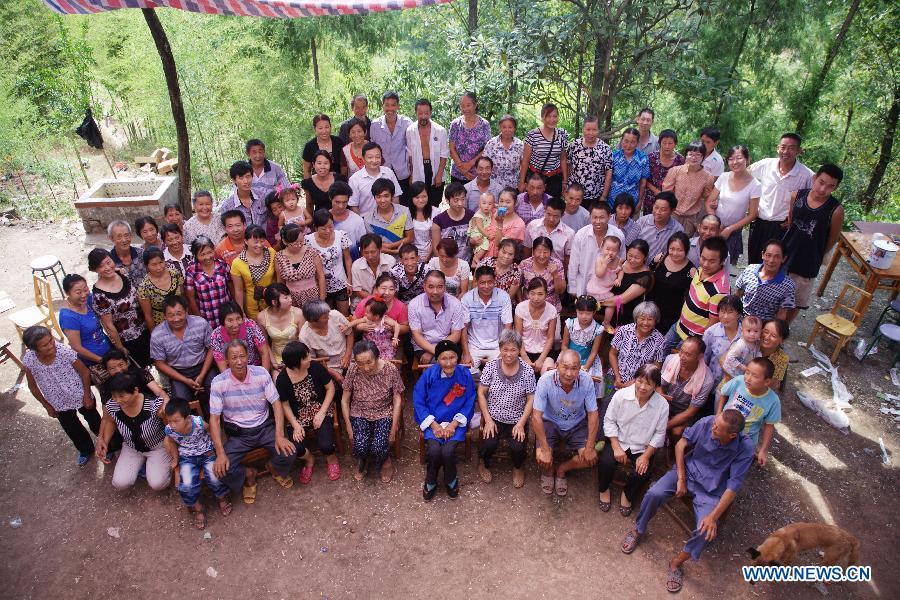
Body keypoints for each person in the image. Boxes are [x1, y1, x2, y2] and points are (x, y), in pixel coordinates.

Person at [621, 411, 754, 594]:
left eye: (718, 429)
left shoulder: (745, 449)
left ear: (732, 435)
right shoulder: (708, 421)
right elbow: (681, 445)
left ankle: (676, 563)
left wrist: (713, 517)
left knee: (705, 531)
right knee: (654, 493)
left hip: (712, 490)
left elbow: (733, 486)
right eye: (714, 423)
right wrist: (681, 477)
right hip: (688, 472)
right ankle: (638, 529)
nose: (713, 428)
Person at [208, 340, 300, 505]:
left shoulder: (261, 373)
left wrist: (279, 435)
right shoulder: (218, 382)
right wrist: (220, 453)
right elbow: (214, 419)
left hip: (264, 427)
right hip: (238, 434)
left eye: (242, 356)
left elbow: (276, 404)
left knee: (290, 451)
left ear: (248, 356)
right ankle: (249, 475)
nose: (239, 361)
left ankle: (272, 466)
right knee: (221, 470)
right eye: (234, 357)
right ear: (227, 360)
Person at [22, 325, 98, 465]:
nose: (51, 345)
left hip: (79, 395)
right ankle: (86, 449)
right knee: (72, 428)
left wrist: (87, 395)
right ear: (34, 349)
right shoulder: (29, 360)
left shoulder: (63, 351)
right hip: (57, 402)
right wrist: (47, 405)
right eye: (45, 345)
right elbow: (32, 386)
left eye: (51, 340)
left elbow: (85, 372)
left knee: (95, 421)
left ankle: (110, 445)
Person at [598, 364, 667, 515]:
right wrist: (616, 447)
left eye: (648, 384)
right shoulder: (621, 395)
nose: (642, 387)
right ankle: (603, 489)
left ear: (656, 385)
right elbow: (609, 421)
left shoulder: (662, 405)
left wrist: (646, 456)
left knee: (642, 472)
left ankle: (627, 494)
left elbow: (659, 434)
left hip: (642, 447)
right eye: (640, 381)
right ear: (635, 379)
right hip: (619, 440)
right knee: (606, 463)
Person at [413, 340, 476, 500]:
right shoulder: (429, 375)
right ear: (437, 359)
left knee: (448, 452)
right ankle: (431, 479)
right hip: (433, 421)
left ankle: (450, 478)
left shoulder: (465, 374)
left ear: (458, 357)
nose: (448, 363)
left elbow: (469, 401)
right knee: (434, 451)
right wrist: (433, 425)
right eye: (443, 358)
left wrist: (454, 425)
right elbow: (418, 400)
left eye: (452, 357)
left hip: (456, 422)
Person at [782, 163, 845, 323]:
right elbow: (791, 222)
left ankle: (785, 328)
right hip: (786, 252)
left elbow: (831, 240)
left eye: (830, 186)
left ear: (835, 188)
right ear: (814, 178)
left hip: (809, 261)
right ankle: (773, 323)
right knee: (778, 290)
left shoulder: (836, 210)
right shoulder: (796, 196)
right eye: (821, 182)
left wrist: (816, 255)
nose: (823, 189)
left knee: (797, 300)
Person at [532, 349, 599, 497]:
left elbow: (593, 413)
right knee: (540, 455)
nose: (569, 373)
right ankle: (549, 470)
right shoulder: (545, 380)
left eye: (574, 368)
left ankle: (562, 469)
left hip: (577, 423)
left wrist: (589, 447)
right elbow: (536, 416)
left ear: (579, 368)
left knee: (590, 458)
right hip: (551, 421)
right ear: (557, 366)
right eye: (565, 367)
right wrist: (544, 449)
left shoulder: (586, 380)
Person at [476, 330, 535, 487]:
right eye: (505, 349)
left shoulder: (527, 371)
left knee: (518, 447)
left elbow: (531, 399)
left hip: (516, 419)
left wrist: (521, 423)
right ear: (500, 349)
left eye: (513, 349)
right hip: (494, 417)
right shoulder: (490, 366)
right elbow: (481, 392)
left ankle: (518, 467)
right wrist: (488, 420)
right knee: (489, 444)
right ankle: (483, 462)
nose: (508, 354)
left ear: (519, 349)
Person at [95, 369, 171, 492]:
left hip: (157, 447)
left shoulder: (153, 404)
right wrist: (104, 440)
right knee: (120, 483)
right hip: (131, 447)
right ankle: (145, 466)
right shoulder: (113, 405)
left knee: (158, 484)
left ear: (135, 391)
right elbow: (110, 421)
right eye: (114, 396)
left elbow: (169, 426)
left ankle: (159, 466)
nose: (118, 400)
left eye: (122, 396)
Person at [340, 339, 405, 482]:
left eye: (369, 362)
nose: (366, 368)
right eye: (360, 363)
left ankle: (385, 460)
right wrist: (348, 426)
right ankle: (363, 460)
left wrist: (394, 428)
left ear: (377, 357)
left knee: (379, 445)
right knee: (360, 445)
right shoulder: (352, 369)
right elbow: (344, 400)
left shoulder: (390, 369)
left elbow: (397, 399)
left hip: (383, 412)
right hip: (359, 412)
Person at [276, 341, 341, 482]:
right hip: (299, 415)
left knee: (326, 445)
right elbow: (285, 404)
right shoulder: (282, 379)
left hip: (320, 408)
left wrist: (322, 412)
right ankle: (309, 459)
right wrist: (295, 425)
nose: (310, 359)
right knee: (296, 449)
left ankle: (331, 458)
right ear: (295, 363)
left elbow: (331, 388)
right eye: (305, 357)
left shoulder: (315, 368)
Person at [163, 399, 232, 529]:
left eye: (176, 421)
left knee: (214, 476)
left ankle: (221, 498)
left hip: (207, 452)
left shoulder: (198, 423)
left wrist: (218, 450)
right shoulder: (169, 430)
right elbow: (171, 442)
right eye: (169, 420)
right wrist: (175, 458)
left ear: (187, 417)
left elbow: (212, 430)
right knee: (187, 484)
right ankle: (198, 507)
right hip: (187, 456)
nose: (172, 425)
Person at [747, 132, 813, 261]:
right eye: (783, 147)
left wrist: (796, 218)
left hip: (782, 228)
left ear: (799, 151)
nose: (786, 151)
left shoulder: (806, 175)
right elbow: (744, 176)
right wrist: (749, 205)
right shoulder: (766, 165)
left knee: (774, 264)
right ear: (778, 148)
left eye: (791, 148)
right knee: (753, 260)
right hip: (759, 222)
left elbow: (812, 201)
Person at [150, 296, 215, 416]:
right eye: (171, 315)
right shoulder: (157, 335)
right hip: (178, 373)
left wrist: (202, 375)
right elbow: (159, 363)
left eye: (179, 314)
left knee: (215, 389)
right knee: (181, 401)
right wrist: (185, 380)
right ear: (164, 316)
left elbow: (211, 347)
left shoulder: (200, 323)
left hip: (203, 367)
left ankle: (218, 422)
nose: (176, 319)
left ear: (186, 311)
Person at [89, 248, 152, 367]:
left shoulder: (123, 274)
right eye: (101, 266)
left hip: (144, 328)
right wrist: (120, 347)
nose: (107, 268)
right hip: (128, 339)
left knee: (152, 360)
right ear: (95, 269)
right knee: (139, 369)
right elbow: (108, 324)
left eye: (108, 262)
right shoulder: (99, 295)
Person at [668, 236, 729, 350]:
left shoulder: (719, 291)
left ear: (722, 261)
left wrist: (697, 344)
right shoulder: (700, 270)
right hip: (679, 326)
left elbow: (713, 322)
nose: (705, 264)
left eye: (712, 261)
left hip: (692, 338)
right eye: (703, 258)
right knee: (661, 352)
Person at [717, 357, 780, 466]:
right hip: (723, 429)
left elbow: (769, 426)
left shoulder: (773, 401)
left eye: (754, 376)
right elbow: (723, 393)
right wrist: (718, 415)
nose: (748, 378)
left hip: (746, 439)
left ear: (767, 381)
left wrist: (763, 450)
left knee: (734, 465)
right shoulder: (738, 381)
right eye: (747, 372)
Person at [707, 145, 761, 267]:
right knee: (708, 261)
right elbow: (709, 201)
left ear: (748, 159)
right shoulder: (724, 177)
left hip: (733, 232)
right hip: (715, 227)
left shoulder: (755, 185)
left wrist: (729, 229)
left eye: (739, 158)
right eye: (731, 159)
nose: (734, 162)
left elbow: (753, 214)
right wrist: (714, 221)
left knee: (725, 265)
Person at [460, 265, 514, 371]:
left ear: (494, 281)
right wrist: (466, 353)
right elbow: (464, 328)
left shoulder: (503, 297)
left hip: (497, 345)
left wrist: (503, 349)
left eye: (490, 282)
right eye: (482, 283)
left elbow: (507, 326)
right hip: (474, 345)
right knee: (466, 372)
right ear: (476, 282)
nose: (486, 286)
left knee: (501, 373)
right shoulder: (467, 298)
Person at [568, 202, 625, 297]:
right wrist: (572, 287)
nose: (598, 221)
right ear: (590, 216)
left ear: (609, 217)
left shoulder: (618, 235)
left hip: (608, 288)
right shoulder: (581, 235)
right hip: (583, 284)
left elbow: (622, 261)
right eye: (594, 217)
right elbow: (573, 263)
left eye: (602, 217)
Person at [661, 337, 714, 438]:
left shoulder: (706, 379)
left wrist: (664, 426)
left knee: (677, 431)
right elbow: (659, 386)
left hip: (685, 411)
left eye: (688, 354)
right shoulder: (670, 360)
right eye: (681, 351)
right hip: (665, 403)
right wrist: (664, 410)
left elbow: (691, 412)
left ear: (700, 356)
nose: (682, 357)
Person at [408, 270, 465, 364]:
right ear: (424, 287)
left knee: (445, 361)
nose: (435, 291)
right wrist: (434, 351)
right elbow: (417, 335)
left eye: (439, 287)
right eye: (431, 287)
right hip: (423, 346)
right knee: (439, 362)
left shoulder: (455, 304)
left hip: (448, 344)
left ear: (445, 287)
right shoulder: (414, 304)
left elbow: (456, 334)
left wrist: (435, 351)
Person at [607, 301, 666, 391]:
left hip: (642, 383)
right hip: (614, 375)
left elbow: (655, 368)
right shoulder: (624, 330)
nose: (645, 323)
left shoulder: (660, 340)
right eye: (642, 319)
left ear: (655, 320)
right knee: (605, 402)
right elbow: (612, 354)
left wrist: (635, 382)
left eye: (650, 319)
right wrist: (617, 377)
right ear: (636, 318)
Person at [734, 239, 796, 321]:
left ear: (783, 259)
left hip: (764, 324)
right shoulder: (750, 269)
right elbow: (738, 294)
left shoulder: (788, 285)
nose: (771, 260)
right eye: (768, 255)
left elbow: (781, 314)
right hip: (741, 317)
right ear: (763, 255)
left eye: (777, 257)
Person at [306, 209, 354, 315]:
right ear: (315, 227)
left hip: (341, 282)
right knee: (326, 316)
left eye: (331, 227)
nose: (328, 231)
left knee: (344, 315)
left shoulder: (341, 236)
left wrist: (349, 281)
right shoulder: (308, 241)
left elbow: (347, 259)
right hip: (320, 286)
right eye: (323, 229)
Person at [663, 140, 715, 236]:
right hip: (672, 215)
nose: (694, 158)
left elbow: (707, 197)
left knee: (684, 245)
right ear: (686, 155)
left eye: (698, 155)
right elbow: (666, 194)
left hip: (691, 219)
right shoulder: (675, 171)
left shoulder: (708, 177)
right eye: (691, 154)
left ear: (703, 156)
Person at [599, 239, 653, 328]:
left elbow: (623, 299)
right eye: (630, 255)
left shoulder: (645, 277)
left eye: (637, 258)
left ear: (645, 257)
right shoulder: (621, 262)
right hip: (605, 300)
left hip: (621, 314)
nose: (632, 260)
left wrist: (598, 303)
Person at [369, 91, 412, 201]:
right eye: (387, 105)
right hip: (382, 172)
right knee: (383, 203)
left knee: (403, 205)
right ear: (382, 106)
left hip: (402, 172)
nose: (390, 109)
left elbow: (412, 150)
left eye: (393, 105)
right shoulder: (375, 125)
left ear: (398, 106)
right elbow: (372, 149)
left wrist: (413, 173)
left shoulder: (407, 123)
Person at [60, 274, 111, 367]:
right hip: (93, 363)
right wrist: (102, 361)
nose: (84, 295)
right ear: (67, 293)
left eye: (85, 289)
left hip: (108, 352)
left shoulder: (88, 300)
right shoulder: (68, 317)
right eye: (78, 292)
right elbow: (76, 347)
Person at [520, 103, 569, 198]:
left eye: (555, 116)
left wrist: (565, 181)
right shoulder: (532, 135)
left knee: (552, 207)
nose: (552, 120)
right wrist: (522, 181)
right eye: (548, 116)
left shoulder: (562, 135)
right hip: (535, 177)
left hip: (554, 178)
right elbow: (525, 160)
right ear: (542, 118)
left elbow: (563, 159)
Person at [185, 235, 235, 328]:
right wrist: (199, 320)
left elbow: (231, 287)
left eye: (209, 252)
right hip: (206, 317)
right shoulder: (191, 271)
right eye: (202, 254)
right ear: (195, 255)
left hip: (226, 315)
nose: (207, 257)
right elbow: (190, 298)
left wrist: (235, 308)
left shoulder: (222, 265)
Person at [406, 98, 448, 206]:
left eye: (426, 113)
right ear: (415, 113)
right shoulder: (410, 130)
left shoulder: (440, 130)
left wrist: (439, 174)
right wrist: (411, 174)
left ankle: (434, 222)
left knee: (434, 202)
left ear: (431, 113)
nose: (423, 116)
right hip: (418, 170)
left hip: (434, 168)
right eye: (420, 113)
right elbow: (410, 155)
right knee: (419, 203)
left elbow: (444, 154)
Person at [648, 232, 693, 334]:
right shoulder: (660, 258)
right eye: (672, 249)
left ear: (686, 250)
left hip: (671, 316)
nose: (675, 253)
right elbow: (647, 274)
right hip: (650, 309)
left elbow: (690, 297)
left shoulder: (691, 271)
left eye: (680, 250)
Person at [298, 300, 353, 382]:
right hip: (329, 368)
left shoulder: (334, 315)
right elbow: (312, 361)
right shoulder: (304, 336)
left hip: (349, 357)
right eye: (325, 317)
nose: (329, 317)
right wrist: (334, 373)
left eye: (328, 313)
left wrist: (347, 355)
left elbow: (349, 333)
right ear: (314, 320)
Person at [230, 225, 276, 321]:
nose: (259, 245)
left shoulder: (272, 253)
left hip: (273, 301)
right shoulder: (237, 263)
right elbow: (238, 290)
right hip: (253, 305)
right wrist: (241, 312)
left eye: (262, 241)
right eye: (255, 242)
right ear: (246, 241)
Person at [561, 295, 605, 396]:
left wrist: (585, 368)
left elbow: (594, 352)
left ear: (594, 312)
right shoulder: (570, 324)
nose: (584, 316)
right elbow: (564, 346)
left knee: (587, 382)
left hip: (587, 361)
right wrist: (568, 361)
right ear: (576, 311)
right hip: (568, 358)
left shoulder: (597, 329)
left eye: (588, 313)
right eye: (581, 313)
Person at [625, 192, 685, 265]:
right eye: (656, 207)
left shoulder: (677, 230)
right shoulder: (642, 221)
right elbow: (628, 244)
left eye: (663, 209)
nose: (658, 212)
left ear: (672, 211)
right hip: (636, 265)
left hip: (660, 268)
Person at [209, 302, 271, 373]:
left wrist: (264, 376)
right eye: (230, 320)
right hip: (232, 373)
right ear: (223, 322)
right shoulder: (216, 336)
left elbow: (264, 352)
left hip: (255, 368)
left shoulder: (251, 326)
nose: (235, 324)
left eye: (238, 318)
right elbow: (223, 367)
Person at [276, 223, 326, 310]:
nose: (299, 245)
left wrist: (322, 299)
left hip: (312, 295)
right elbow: (280, 282)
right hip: (291, 298)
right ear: (285, 242)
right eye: (295, 243)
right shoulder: (279, 257)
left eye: (301, 242)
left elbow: (321, 276)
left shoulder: (311, 252)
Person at [514, 278, 558, 375]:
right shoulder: (520, 308)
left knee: (548, 375)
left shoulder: (552, 310)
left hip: (544, 352)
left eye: (540, 294)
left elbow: (550, 338)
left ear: (546, 294)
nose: (536, 298)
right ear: (528, 293)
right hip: (523, 350)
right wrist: (525, 357)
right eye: (532, 293)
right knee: (519, 375)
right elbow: (518, 336)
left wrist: (541, 360)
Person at [448, 90, 492, 184]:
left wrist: (470, 163)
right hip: (457, 173)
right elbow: (451, 148)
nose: (465, 109)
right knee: (457, 198)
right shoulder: (455, 124)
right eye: (462, 106)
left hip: (478, 173)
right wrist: (463, 169)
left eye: (468, 105)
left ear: (475, 105)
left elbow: (487, 148)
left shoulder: (484, 124)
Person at [567, 116, 612, 206]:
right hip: (574, 195)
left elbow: (609, 173)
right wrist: (566, 186)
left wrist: (604, 196)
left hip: (595, 195)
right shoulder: (574, 145)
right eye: (588, 129)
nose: (591, 133)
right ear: (583, 130)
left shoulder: (605, 148)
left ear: (598, 130)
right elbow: (568, 166)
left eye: (594, 130)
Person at [257, 283, 304, 367]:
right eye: (286, 297)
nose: (290, 300)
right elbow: (265, 343)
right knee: (277, 379)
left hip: (297, 356)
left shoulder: (298, 313)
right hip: (277, 358)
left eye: (289, 296)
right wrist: (274, 363)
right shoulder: (262, 317)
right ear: (274, 302)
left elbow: (303, 341)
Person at [348, 142, 403, 216]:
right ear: (363, 158)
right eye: (370, 157)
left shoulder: (388, 172)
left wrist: (395, 217)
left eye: (377, 157)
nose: (374, 160)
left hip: (389, 218)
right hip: (366, 220)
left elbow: (396, 196)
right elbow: (354, 205)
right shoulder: (354, 179)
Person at [137, 247, 184, 329]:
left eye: (161, 262)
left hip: (181, 319)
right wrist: (154, 334)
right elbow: (148, 315)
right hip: (162, 326)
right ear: (146, 265)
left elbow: (183, 297)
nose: (159, 267)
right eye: (154, 264)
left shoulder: (175, 274)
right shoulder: (144, 287)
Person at [363, 178, 413, 254]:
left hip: (403, 255)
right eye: (378, 197)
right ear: (374, 198)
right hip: (381, 257)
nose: (382, 200)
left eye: (386, 196)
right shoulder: (368, 219)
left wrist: (391, 246)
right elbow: (373, 245)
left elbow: (410, 237)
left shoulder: (404, 211)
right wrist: (394, 251)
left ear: (392, 196)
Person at [703, 295, 743, 389]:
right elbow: (704, 359)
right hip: (712, 384)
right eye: (722, 311)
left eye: (730, 312)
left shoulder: (746, 334)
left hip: (736, 386)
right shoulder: (710, 333)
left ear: (739, 314)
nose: (725, 316)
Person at [345, 295, 402, 360]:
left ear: (377, 316)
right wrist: (347, 325)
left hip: (384, 348)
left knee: (385, 362)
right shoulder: (366, 319)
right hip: (369, 347)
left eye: (367, 312)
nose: (365, 313)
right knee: (368, 359)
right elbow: (356, 321)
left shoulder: (384, 319)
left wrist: (395, 338)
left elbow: (397, 325)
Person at [431, 182, 474, 264]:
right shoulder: (438, 220)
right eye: (456, 200)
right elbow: (436, 248)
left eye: (463, 199)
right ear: (447, 200)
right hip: (446, 263)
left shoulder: (472, 216)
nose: (460, 203)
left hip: (466, 262)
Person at [644, 129, 684, 215]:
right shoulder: (651, 157)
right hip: (652, 197)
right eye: (664, 143)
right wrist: (656, 191)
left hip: (671, 198)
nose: (667, 146)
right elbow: (644, 178)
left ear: (675, 144)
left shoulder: (680, 160)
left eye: (670, 143)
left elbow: (682, 181)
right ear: (659, 143)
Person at [586, 236, 622, 329]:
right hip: (596, 288)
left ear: (618, 251)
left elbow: (621, 270)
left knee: (612, 305)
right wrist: (605, 264)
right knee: (591, 306)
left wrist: (619, 279)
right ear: (602, 247)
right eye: (607, 249)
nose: (610, 252)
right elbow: (599, 274)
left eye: (614, 250)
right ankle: (588, 321)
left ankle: (606, 322)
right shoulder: (600, 259)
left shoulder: (618, 260)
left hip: (607, 289)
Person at [524, 196, 574, 265]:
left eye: (555, 216)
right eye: (549, 214)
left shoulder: (569, 233)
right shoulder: (533, 226)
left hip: (556, 271)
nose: (551, 219)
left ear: (562, 215)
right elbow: (527, 249)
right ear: (544, 210)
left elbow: (567, 257)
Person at [351, 233, 396, 308]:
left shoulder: (391, 261)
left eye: (373, 252)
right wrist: (376, 300)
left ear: (380, 249)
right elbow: (358, 290)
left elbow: (394, 287)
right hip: (364, 302)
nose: (370, 256)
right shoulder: (356, 265)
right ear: (361, 251)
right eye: (366, 252)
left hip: (388, 301)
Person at [608, 128, 649, 209]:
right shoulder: (614, 156)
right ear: (621, 140)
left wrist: (640, 201)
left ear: (637, 143)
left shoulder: (643, 159)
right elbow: (608, 178)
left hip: (632, 202)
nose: (628, 145)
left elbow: (643, 183)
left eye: (632, 142)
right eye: (626, 141)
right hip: (613, 201)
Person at [219, 160, 266, 227]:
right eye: (241, 178)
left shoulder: (262, 196)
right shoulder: (227, 207)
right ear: (234, 180)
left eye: (248, 176)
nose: (246, 181)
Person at [483, 114, 524, 190]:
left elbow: (523, 165)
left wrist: (521, 181)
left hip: (513, 185)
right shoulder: (491, 143)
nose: (507, 130)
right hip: (493, 184)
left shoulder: (520, 144)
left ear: (514, 128)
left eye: (510, 127)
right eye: (504, 127)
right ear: (500, 128)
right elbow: (484, 163)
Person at [329, 181, 368, 258]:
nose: (341, 206)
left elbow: (363, 246)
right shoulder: (323, 219)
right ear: (330, 198)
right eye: (337, 202)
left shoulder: (357, 220)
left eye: (344, 202)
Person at [720, 315, 762, 383]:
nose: (752, 334)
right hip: (731, 371)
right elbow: (730, 357)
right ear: (742, 331)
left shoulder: (756, 343)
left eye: (756, 331)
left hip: (742, 374)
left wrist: (759, 359)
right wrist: (741, 366)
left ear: (760, 332)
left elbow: (757, 352)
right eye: (748, 331)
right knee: (725, 389)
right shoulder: (740, 345)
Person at [487, 188, 526, 257]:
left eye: (508, 202)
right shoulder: (492, 211)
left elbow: (500, 245)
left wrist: (499, 224)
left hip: (499, 259)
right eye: (501, 201)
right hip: (482, 253)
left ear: (515, 203)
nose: (504, 205)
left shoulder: (519, 224)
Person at [107, 219, 146, 286]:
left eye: (126, 235)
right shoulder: (108, 262)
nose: (124, 240)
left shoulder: (142, 253)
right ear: (111, 238)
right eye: (119, 237)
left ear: (131, 236)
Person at [302, 150, 342, 214]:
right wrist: (310, 222)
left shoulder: (340, 179)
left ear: (330, 164)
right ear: (313, 165)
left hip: (339, 216)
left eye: (326, 163)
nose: (322, 167)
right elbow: (309, 205)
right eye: (319, 163)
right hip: (320, 220)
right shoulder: (308, 183)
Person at [409, 181, 438, 260]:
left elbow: (436, 238)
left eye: (424, 196)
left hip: (431, 254)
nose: (421, 200)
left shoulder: (435, 212)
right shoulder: (407, 213)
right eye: (417, 197)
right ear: (411, 198)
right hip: (411, 255)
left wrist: (427, 258)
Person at [760, 319, 790, 391]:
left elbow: (769, 387)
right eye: (765, 332)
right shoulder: (749, 344)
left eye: (773, 335)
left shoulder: (782, 359)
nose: (767, 337)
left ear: (782, 340)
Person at [467, 191, 496, 265]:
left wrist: (496, 205)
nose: (487, 206)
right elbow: (480, 228)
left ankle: (474, 262)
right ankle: (476, 258)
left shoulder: (489, 211)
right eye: (484, 203)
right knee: (485, 244)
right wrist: (488, 235)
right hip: (477, 233)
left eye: (490, 204)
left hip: (482, 232)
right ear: (479, 204)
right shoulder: (478, 215)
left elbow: (495, 205)